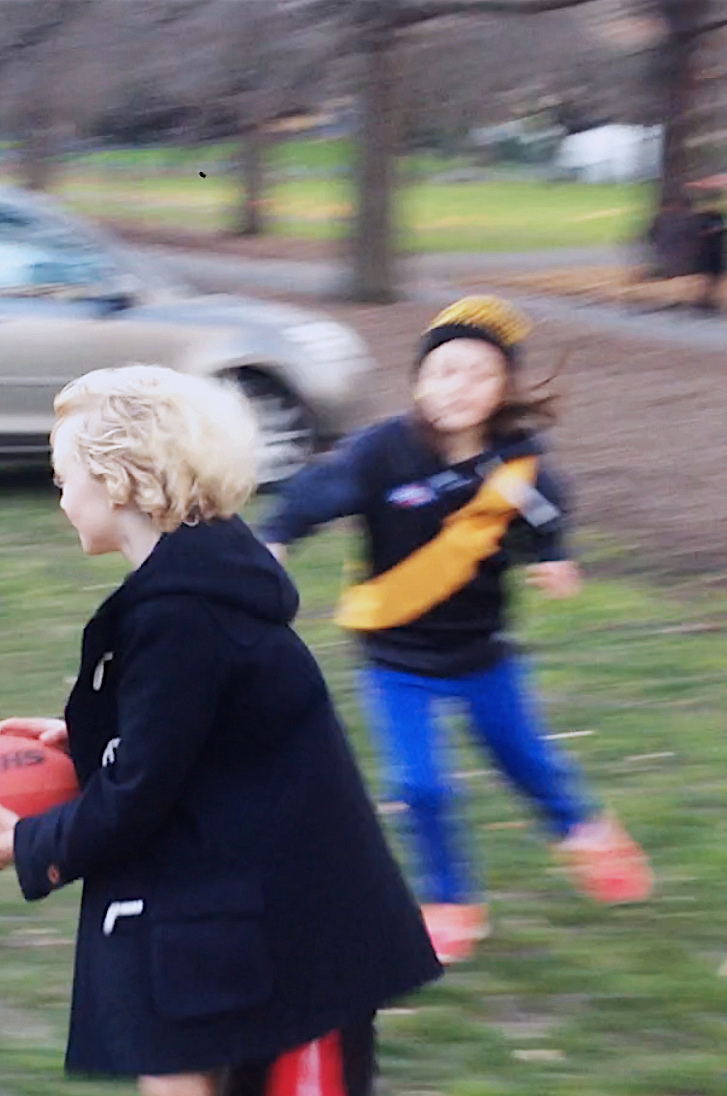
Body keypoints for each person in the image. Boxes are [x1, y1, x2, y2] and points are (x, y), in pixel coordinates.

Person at [0, 364, 571, 1096]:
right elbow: (193, 729)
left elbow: (143, 790)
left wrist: (31, 840)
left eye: (63, 477)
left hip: (285, 917)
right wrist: (84, 739)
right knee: (176, 1092)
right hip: (225, 896)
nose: (59, 497)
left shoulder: (179, 612)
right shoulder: (198, 575)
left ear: (120, 480)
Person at [260, 296, 652, 965]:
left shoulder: (514, 464)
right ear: (419, 381)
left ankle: (587, 834)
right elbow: (317, 491)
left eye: (479, 373)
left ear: (502, 388)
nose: (459, 387)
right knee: (419, 787)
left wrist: (552, 555)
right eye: (444, 371)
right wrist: (277, 535)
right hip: (394, 659)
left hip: (482, 656)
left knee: (527, 763)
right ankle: (448, 900)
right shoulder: (384, 452)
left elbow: (547, 510)